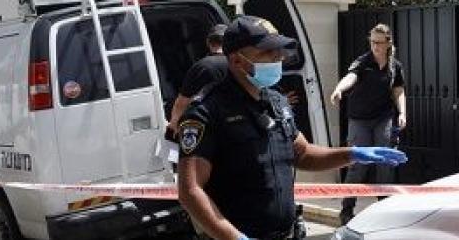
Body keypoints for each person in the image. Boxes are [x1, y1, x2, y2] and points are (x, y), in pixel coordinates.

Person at [177, 16, 407, 240]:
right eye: (267, 51)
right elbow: (190, 190)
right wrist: (233, 237)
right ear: (237, 60)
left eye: (278, 50)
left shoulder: (276, 102)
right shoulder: (207, 111)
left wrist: (352, 154)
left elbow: (303, 154)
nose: (279, 57)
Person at [330, 23, 407, 225]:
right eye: (372, 42)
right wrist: (339, 89)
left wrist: (402, 113)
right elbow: (351, 76)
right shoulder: (363, 61)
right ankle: (347, 210)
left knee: (385, 162)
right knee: (357, 164)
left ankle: (384, 208)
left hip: (383, 117)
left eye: (379, 43)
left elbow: (398, 90)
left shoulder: (395, 66)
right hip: (360, 120)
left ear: (388, 43)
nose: (375, 46)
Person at [167, 24, 228, 136]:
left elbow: (183, 101)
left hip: (211, 124)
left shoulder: (202, 66)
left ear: (208, 42)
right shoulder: (240, 63)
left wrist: (174, 123)